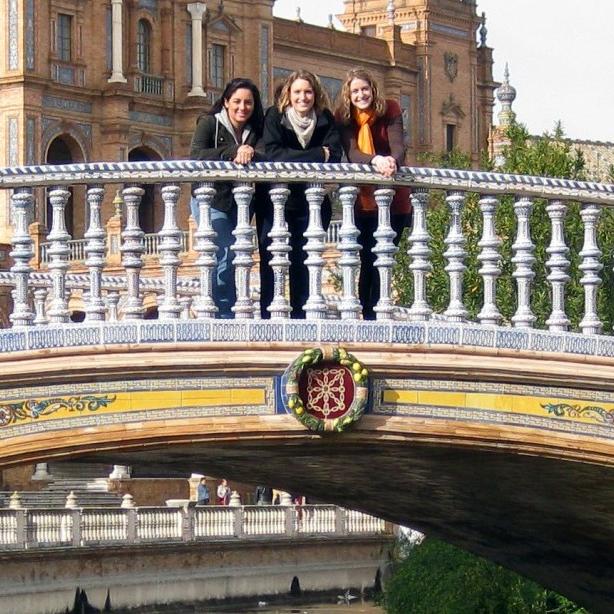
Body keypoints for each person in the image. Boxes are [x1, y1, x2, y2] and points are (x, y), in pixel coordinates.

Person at [259, 69, 343, 319]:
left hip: (313, 204)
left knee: (305, 261)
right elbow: (275, 155)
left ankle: (302, 318)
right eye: (297, 92)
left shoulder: (325, 118)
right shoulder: (274, 116)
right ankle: (268, 319)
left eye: (307, 92)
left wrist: (302, 156)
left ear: (315, 95)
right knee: (271, 260)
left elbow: (336, 155)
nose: (303, 97)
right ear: (288, 94)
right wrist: (319, 155)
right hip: (277, 203)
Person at [335, 68, 412, 320]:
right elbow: (352, 152)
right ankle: (368, 316)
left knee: (384, 258)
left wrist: (392, 161)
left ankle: (379, 313)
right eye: (355, 91)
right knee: (367, 257)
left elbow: (399, 146)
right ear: (348, 94)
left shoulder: (390, 109)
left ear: (373, 89)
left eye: (364, 89)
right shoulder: (344, 117)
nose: (361, 95)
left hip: (394, 202)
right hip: (363, 202)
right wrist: (376, 160)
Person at [189, 78, 265, 318]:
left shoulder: (256, 129)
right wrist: (232, 151)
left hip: (240, 202)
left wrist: (251, 150)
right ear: (226, 102)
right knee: (221, 254)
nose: (243, 107)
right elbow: (197, 155)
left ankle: (228, 309)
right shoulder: (210, 123)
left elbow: (268, 152)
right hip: (210, 199)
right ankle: (220, 313)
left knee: (234, 256)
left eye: (248, 103)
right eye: (237, 102)